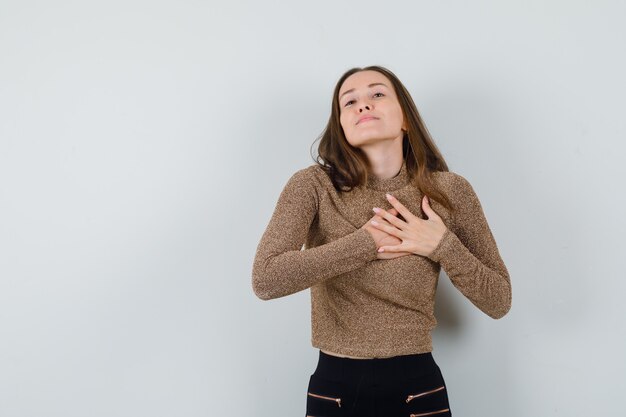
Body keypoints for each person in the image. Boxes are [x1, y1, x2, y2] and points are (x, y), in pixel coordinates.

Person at [251, 65, 512, 417]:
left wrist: (442, 245)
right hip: (336, 388)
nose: (363, 105)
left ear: (405, 118)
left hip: (418, 387)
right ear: (341, 125)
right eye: (350, 101)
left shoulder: (449, 191)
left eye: (377, 94)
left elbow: (499, 300)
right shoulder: (312, 186)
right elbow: (266, 278)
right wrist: (366, 242)